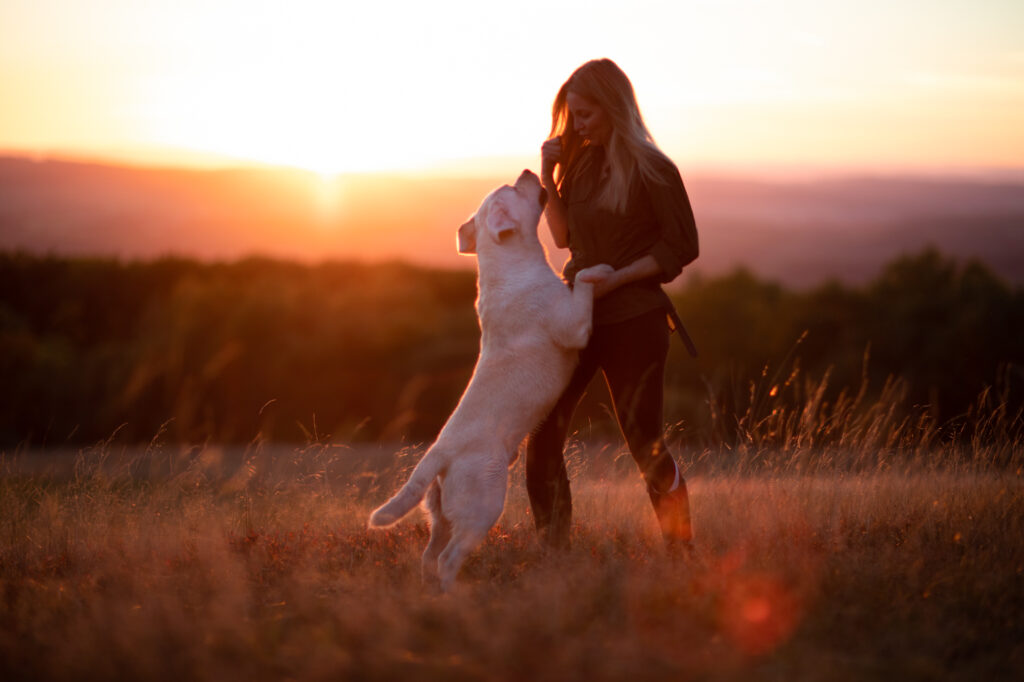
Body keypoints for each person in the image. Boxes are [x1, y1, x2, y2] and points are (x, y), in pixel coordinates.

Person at [527, 58, 699, 552]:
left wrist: (617, 279)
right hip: (576, 317)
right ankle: (553, 550)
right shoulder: (579, 164)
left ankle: (680, 552)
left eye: (586, 115)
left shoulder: (654, 167)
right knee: (542, 429)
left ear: (615, 108)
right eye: (573, 116)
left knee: (643, 441)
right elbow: (562, 239)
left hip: (635, 320)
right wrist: (548, 171)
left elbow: (681, 246)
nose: (578, 126)